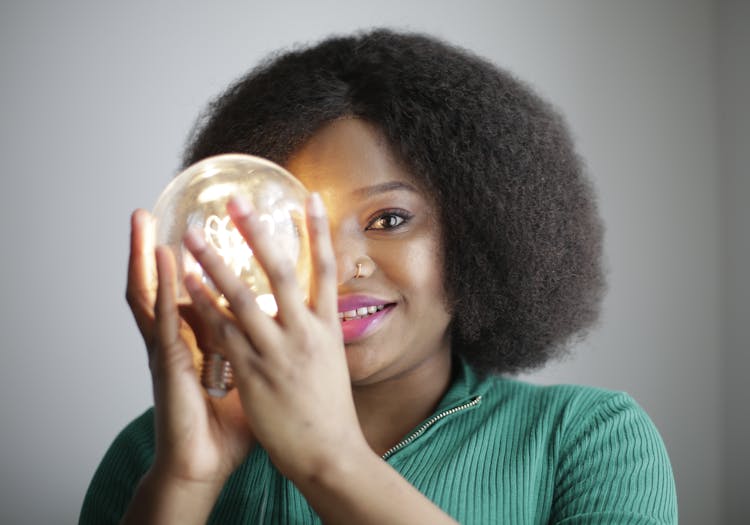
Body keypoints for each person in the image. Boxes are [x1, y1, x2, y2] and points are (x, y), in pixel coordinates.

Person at [80, 29, 677, 524]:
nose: (337, 263)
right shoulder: (153, 454)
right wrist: (187, 478)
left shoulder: (587, 440)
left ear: (475, 232)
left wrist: (332, 459)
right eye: (290, 226)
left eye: (388, 219)